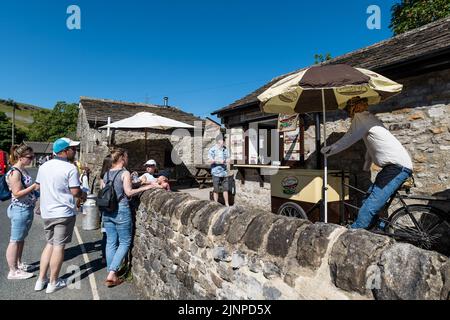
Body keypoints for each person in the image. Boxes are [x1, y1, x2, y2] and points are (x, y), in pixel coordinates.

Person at [321, 97, 413, 230]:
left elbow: (348, 138)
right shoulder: (370, 118)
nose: (348, 114)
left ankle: (354, 234)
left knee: (370, 205)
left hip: (397, 168)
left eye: (348, 109)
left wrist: (328, 150)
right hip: (393, 167)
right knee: (367, 198)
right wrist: (365, 167)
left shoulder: (360, 118)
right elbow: (372, 148)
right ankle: (379, 229)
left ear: (352, 108)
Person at [34, 138, 85, 294]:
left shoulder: (44, 166)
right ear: (65, 151)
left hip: (47, 212)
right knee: (58, 247)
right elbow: (75, 191)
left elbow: (38, 186)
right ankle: (53, 282)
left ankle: (40, 280)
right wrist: (84, 194)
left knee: (50, 244)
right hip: (63, 212)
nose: (75, 151)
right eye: (73, 149)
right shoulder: (70, 168)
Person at [101, 148, 152, 287]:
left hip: (107, 211)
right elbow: (128, 192)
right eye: (127, 157)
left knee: (111, 241)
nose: (128, 159)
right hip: (121, 210)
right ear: (122, 158)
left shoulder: (106, 174)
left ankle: (111, 272)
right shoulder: (124, 173)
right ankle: (112, 274)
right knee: (125, 242)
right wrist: (145, 188)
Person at [5, 144, 38, 280]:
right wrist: (33, 187)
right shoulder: (15, 172)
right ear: (20, 157)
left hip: (26, 208)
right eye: (29, 157)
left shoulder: (22, 169)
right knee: (15, 240)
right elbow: (17, 193)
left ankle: (18, 264)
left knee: (21, 239)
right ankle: (13, 271)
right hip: (20, 209)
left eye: (33, 156)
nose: (32, 159)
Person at [208, 134, 231, 207]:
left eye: (224, 140)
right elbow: (210, 161)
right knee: (216, 189)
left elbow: (228, 159)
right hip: (216, 173)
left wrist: (227, 160)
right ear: (218, 141)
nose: (224, 142)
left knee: (225, 189)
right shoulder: (212, 149)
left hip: (224, 173)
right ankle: (216, 204)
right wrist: (217, 161)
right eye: (222, 140)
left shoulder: (225, 149)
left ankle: (227, 204)